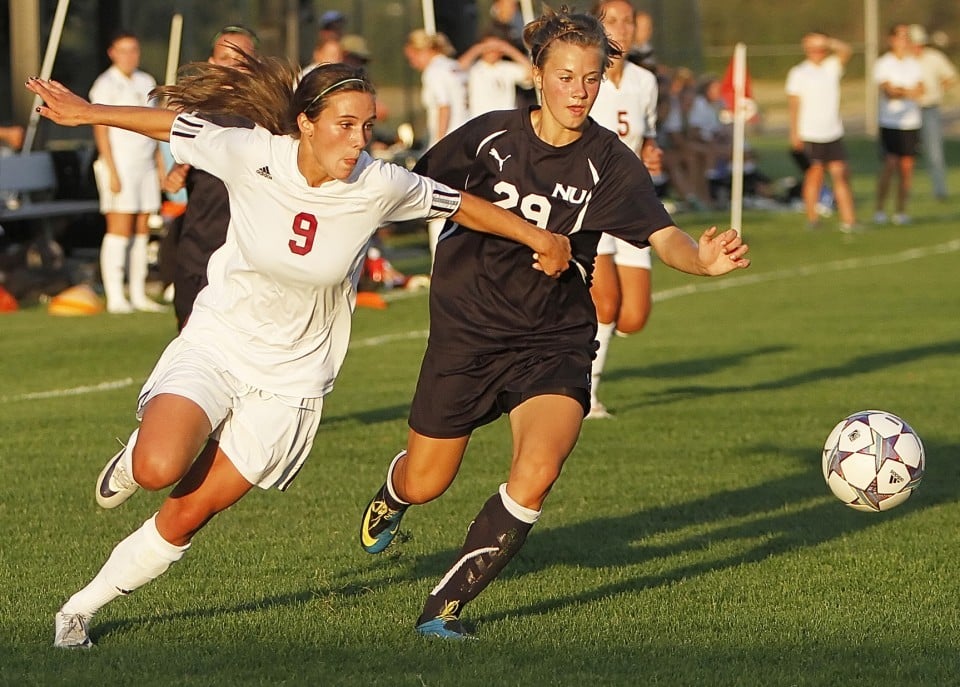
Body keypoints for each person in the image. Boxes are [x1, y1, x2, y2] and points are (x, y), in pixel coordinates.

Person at [28, 55, 572, 650]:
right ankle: (136, 457)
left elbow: (459, 205)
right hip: (221, 341)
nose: (359, 141)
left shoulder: (379, 183)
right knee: (159, 466)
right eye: (344, 124)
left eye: (367, 126)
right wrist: (85, 114)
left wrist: (540, 237)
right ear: (305, 124)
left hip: (291, 381)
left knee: (187, 513)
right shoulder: (251, 152)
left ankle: (78, 610)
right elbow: (173, 125)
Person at [358, 6, 750, 640]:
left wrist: (699, 262)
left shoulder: (611, 162)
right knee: (429, 480)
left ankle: (446, 607)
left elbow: (662, 232)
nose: (579, 91)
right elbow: (401, 189)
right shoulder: (486, 139)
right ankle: (395, 493)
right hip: (468, 332)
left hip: (555, 337)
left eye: (591, 78)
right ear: (537, 74)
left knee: (538, 469)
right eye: (566, 76)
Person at [585, 0, 662, 419]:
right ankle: (585, 396)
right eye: (611, 20)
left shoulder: (645, 82)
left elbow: (646, 138)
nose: (622, 28)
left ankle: (564, 328)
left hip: (632, 206)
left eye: (628, 20)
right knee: (607, 304)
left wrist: (651, 154)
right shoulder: (584, 79)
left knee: (633, 317)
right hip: (592, 205)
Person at [162, 25, 260, 330]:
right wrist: (174, 177)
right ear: (212, 63)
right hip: (198, 249)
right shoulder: (195, 113)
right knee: (189, 347)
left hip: (247, 256)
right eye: (225, 58)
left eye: (241, 59)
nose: (233, 67)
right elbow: (176, 175)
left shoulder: (270, 117)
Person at [89, 30, 166, 314]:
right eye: (124, 50)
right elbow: (101, 129)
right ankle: (115, 295)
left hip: (145, 164)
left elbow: (154, 126)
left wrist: (160, 166)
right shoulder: (105, 84)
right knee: (119, 228)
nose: (130, 56)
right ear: (112, 53)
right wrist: (111, 169)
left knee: (142, 227)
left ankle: (138, 292)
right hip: (119, 164)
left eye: (134, 50)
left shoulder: (146, 81)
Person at [403, 29, 468, 261]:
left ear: (422, 51)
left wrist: (438, 144)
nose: (412, 62)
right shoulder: (454, 66)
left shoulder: (433, 71)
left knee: (437, 206)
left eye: (412, 56)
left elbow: (444, 106)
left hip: (449, 146)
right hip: (468, 143)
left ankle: (438, 263)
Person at [785, 31, 858, 231]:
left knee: (840, 174)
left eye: (819, 49)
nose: (816, 53)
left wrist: (827, 40)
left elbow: (846, 50)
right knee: (814, 175)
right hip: (811, 132)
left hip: (832, 131)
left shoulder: (831, 66)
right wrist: (794, 131)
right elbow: (794, 104)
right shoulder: (799, 72)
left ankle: (849, 220)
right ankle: (812, 218)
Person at [873, 23, 924, 226]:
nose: (904, 41)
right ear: (892, 39)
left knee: (907, 169)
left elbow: (921, 90)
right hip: (890, 123)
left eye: (907, 37)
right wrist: (906, 92)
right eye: (901, 36)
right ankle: (879, 209)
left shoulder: (914, 64)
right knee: (890, 165)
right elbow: (889, 92)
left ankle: (901, 211)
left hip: (911, 123)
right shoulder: (884, 63)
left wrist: (903, 91)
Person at [908, 24, 957, 201]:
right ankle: (904, 191)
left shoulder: (934, 58)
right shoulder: (905, 60)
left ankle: (940, 190)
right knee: (906, 155)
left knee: (935, 151)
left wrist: (938, 91)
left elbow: (950, 76)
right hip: (907, 111)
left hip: (929, 108)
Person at [458, 33, 533, 120]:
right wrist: (477, 49)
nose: (492, 52)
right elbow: (456, 69)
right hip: (481, 121)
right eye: (488, 48)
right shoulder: (474, 69)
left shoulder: (507, 68)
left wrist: (509, 50)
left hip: (506, 120)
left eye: (495, 49)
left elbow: (531, 74)